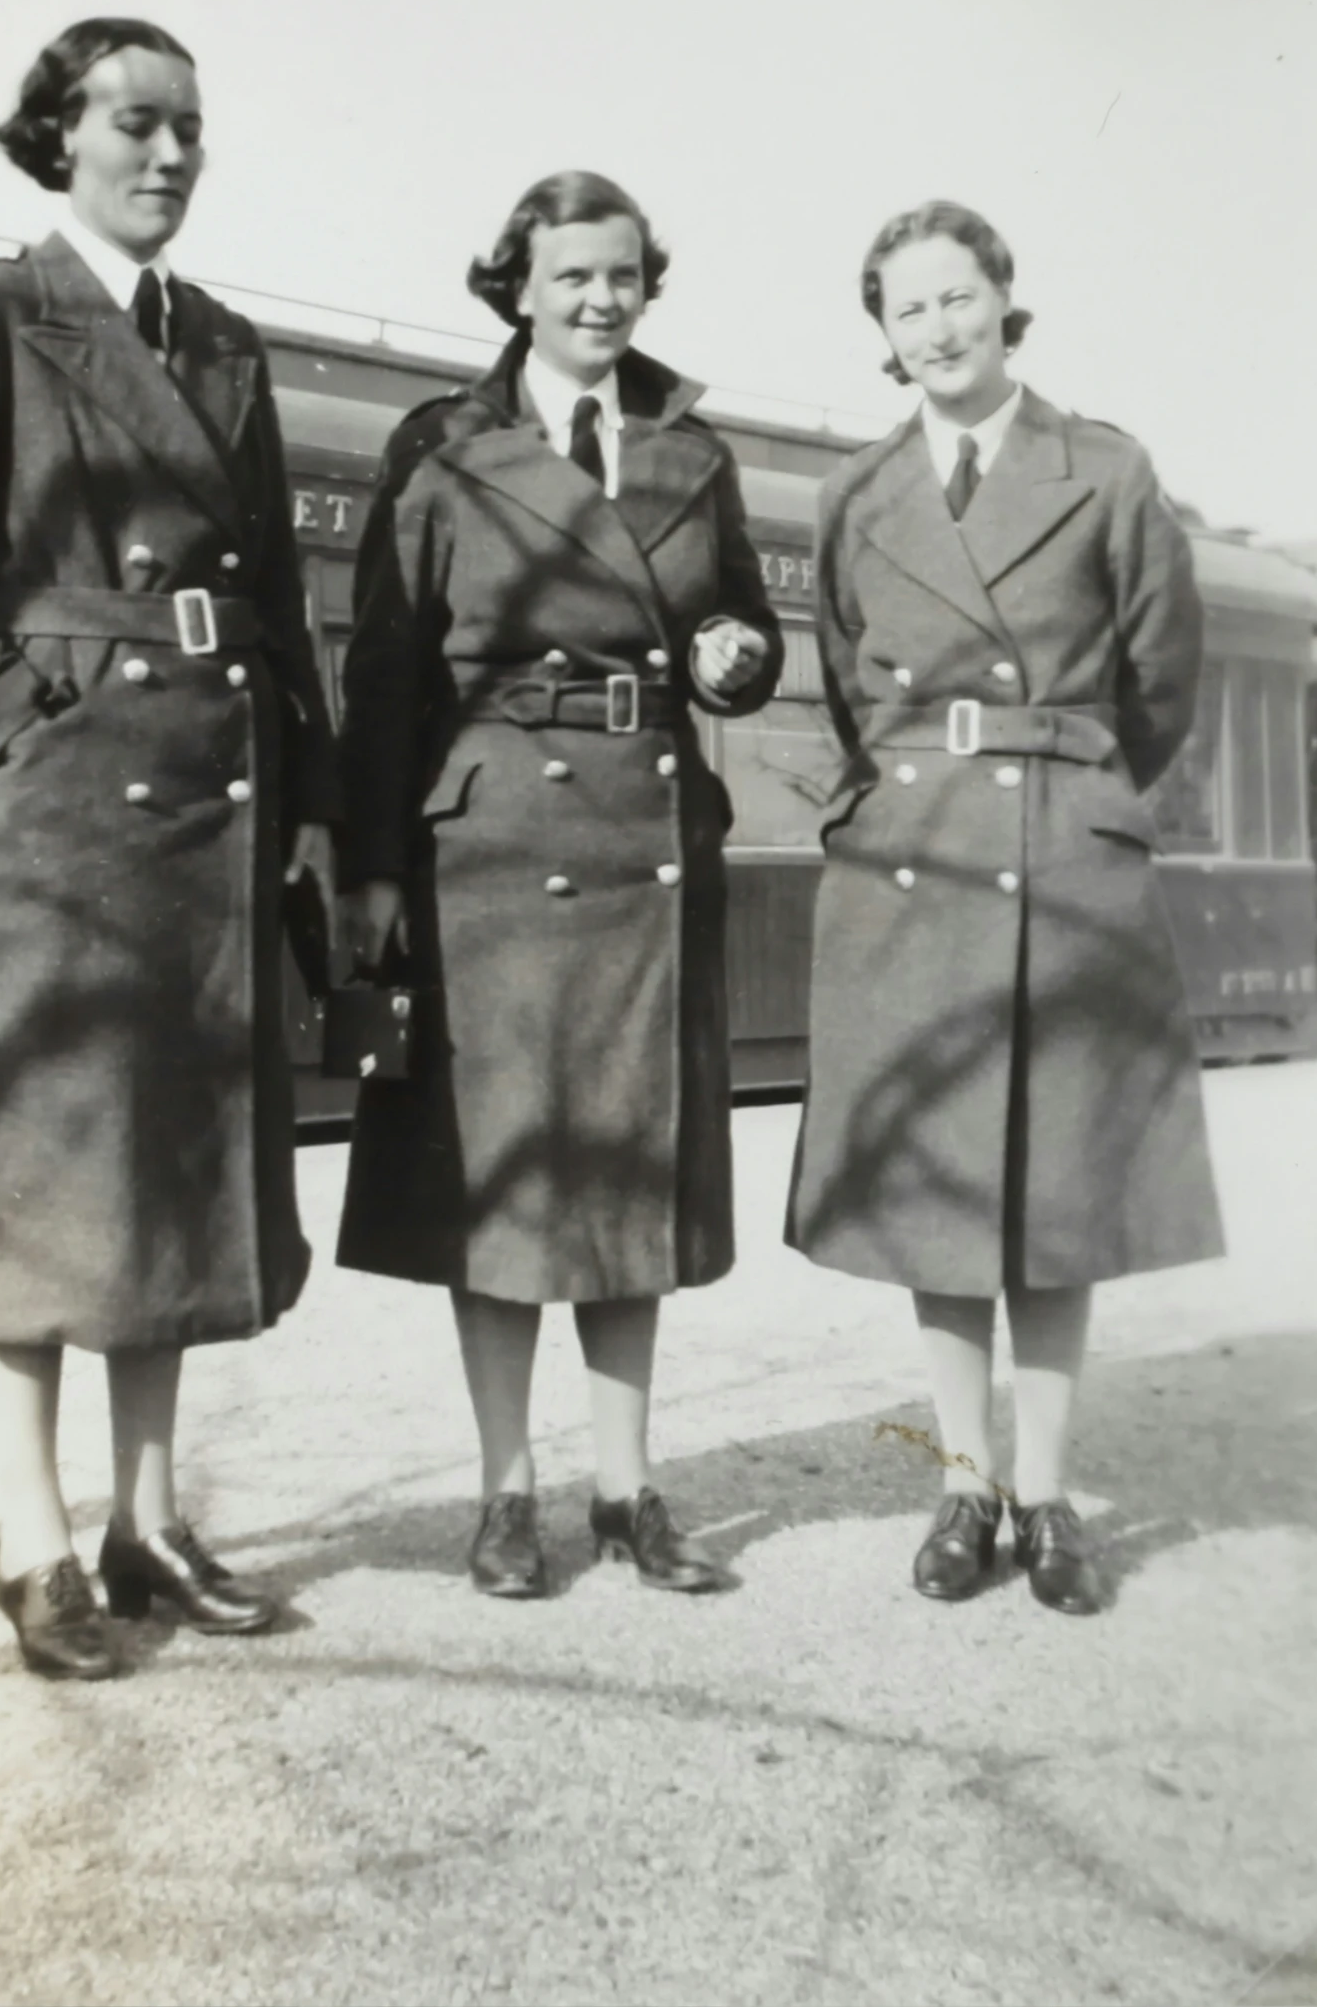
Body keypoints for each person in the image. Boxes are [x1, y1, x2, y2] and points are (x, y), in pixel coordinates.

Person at [0, 18, 339, 1678]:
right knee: (46, 1168)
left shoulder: (226, 344)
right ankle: (28, 1533)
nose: (173, 154)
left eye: (194, 127)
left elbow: (273, 604)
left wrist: (312, 804)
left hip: (214, 790)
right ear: (60, 136)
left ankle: (148, 1517)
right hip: (67, 808)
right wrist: (8, 716)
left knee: (180, 1160)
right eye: (138, 122)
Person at [336, 170, 783, 1597]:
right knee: (503, 1174)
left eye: (624, 276)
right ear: (515, 284)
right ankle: (505, 1492)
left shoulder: (691, 451)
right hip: (492, 843)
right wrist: (373, 867)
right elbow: (387, 666)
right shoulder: (446, 445)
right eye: (573, 274)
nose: (602, 298)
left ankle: (629, 1490)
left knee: (627, 1164)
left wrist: (736, 655)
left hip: (646, 831)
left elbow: (745, 624)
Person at [785, 200, 1224, 1615]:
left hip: (1063, 853)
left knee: (1055, 1187)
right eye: (909, 309)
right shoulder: (857, 495)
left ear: (1003, 300)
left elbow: (1161, 687)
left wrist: (1070, 790)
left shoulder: (1104, 469)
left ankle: (1046, 1494)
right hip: (916, 864)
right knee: (941, 1190)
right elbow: (857, 690)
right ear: (885, 335)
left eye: (959, 296)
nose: (940, 328)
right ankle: (961, 1478)